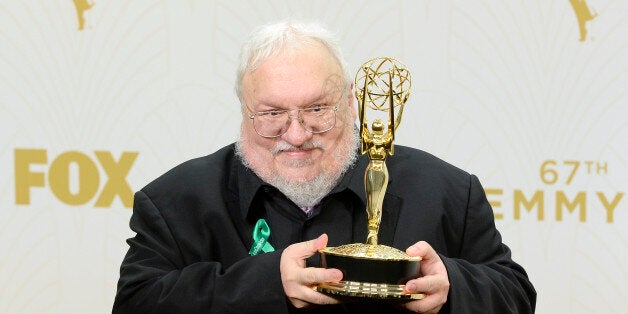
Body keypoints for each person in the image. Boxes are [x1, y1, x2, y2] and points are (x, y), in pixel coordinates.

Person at [113, 20, 536, 313]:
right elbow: (135, 304)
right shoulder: (174, 201)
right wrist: (264, 285)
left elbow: (516, 296)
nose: (296, 134)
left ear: (351, 101)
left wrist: (453, 289)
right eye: (273, 113)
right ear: (244, 111)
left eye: (317, 109)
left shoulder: (447, 192)